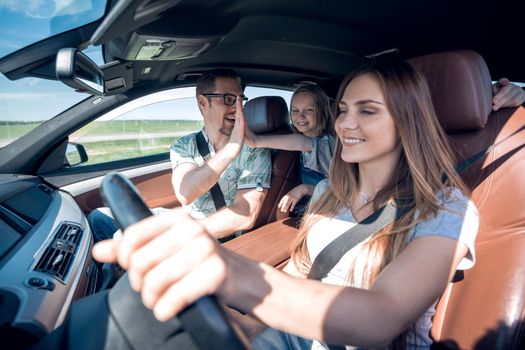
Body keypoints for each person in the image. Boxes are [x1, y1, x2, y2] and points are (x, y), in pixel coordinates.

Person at [92, 59, 480, 349]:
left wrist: (228, 271)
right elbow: (302, 269)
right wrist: (246, 328)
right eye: (343, 109)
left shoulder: (447, 209)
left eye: (367, 110)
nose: (344, 124)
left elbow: (380, 317)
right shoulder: (331, 188)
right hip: (295, 333)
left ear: (407, 120)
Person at [88, 69, 272, 242]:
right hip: (185, 222)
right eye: (229, 99)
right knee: (99, 217)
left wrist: (179, 235)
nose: (238, 109)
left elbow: (244, 215)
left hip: (211, 238)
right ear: (202, 102)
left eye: (241, 100)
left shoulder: (255, 150)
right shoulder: (185, 145)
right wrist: (230, 150)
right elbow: (186, 192)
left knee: (124, 238)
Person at [245, 84, 335, 215]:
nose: (300, 116)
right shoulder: (292, 139)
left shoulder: (328, 144)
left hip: (330, 211)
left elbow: (303, 143)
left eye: (309, 110)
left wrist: (257, 141)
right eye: (295, 110)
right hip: (308, 208)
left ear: (322, 111)